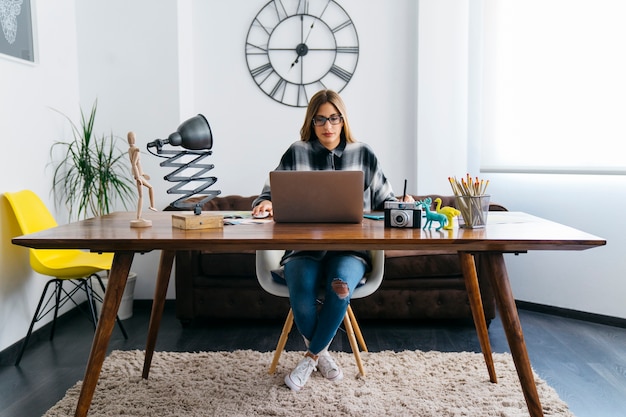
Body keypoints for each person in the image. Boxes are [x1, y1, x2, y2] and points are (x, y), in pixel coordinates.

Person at [252, 89, 414, 392]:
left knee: (340, 286)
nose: (328, 126)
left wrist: (403, 203)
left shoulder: (363, 153)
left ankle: (310, 356)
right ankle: (322, 354)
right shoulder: (296, 152)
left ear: (343, 119)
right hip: (303, 248)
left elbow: (387, 201)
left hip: (350, 251)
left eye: (334, 118)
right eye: (321, 120)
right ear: (311, 123)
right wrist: (265, 203)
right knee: (299, 283)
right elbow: (268, 193)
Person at [128, 131, 157, 224]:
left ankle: (148, 209)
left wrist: (142, 174)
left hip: (139, 175)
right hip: (138, 176)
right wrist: (138, 177)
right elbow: (134, 164)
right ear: (134, 139)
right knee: (142, 195)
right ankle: (141, 215)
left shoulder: (130, 149)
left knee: (146, 191)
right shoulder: (136, 149)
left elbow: (135, 164)